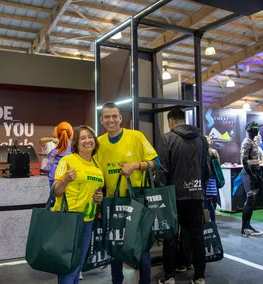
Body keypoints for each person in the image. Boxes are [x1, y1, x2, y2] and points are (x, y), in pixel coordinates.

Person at [94, 101, 160, 284]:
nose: (111, 120)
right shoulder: (98, 144)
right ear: (101, 120)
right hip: (112, 202)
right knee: (115, 247)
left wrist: (136, 166)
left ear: (121, 118)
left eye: (115, 116)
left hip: (136, 201)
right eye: (107, 117)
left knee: (141, 246)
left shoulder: (136, 137)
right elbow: (96, 173)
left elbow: (157, 162)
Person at [157, 107, 210, 284]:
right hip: (196, 195)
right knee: (197, 236)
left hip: (173, 196)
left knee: (170, 237)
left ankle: (170, 277)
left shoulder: (167, 138)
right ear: (184, 119)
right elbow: (207, 168)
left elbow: (163, 170)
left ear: (170, 121)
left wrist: (162, 193)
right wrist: (199, 187)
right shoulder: (201, 138)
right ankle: (200, 277)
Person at [52, 125, 104, 284]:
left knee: (78, 265)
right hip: (68, 220)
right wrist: (65, 179)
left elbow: (94, 195)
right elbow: (55, 191)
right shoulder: (68, 160)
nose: (87, 140)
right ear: (76, 142)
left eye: (90, 137)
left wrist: (99, 198)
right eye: (83, 138)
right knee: (69, 266)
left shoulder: (96, 167)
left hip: (88, 220)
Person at [240, 122, 263, 237]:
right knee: (250, 200)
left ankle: (247, 226)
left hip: (254, 173)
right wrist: (251, 175)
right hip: (248, 174)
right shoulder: (247, 142)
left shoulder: (253, 143)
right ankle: (245, 228)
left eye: (256, 129)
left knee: (252, 201)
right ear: (249, 131)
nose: (255, 131)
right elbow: (244, 161)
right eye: (253, 130)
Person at [48, 122, 73, 190]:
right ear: (71, 134)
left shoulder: (54, 153)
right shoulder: (78, 151)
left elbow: (52, 178)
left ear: (57, 135)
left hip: (60, 192)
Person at [204, 135, 220, 222]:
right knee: (209, 204)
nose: (208, 141)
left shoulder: (213, 152)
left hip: (210, 180)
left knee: (208, 204)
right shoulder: (212, 152)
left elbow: (217, 167)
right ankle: (211, 223)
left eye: (209, 139)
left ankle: (210, 223)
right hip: (209, 181)